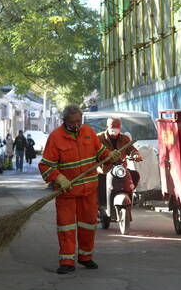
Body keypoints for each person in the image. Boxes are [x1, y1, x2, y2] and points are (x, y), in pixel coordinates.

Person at [39, 105, 121, 274]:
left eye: (79, 121)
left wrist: (109, 156)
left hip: (88, 190)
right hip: (67, 193)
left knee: (88, 225)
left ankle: (86, 257)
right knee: (66, 227)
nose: (76, 125)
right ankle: (67, 261)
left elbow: (100, 152)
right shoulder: (56, 138)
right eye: (72, 122)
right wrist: (59, 178)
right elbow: (46, 165)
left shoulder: (88, 133)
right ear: (65, 121)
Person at [97, 117, 143, 189]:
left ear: (120, 127)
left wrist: (136, 154)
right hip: (104, 171)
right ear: (107, 126)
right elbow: (93, 154)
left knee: (135, 175)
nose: (115, 129)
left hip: (121, 170)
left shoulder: (125, 138)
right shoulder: (99, 138)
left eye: (117, 127)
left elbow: (132, 150)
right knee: (99, 185)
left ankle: (130, 195)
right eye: (113, 126)